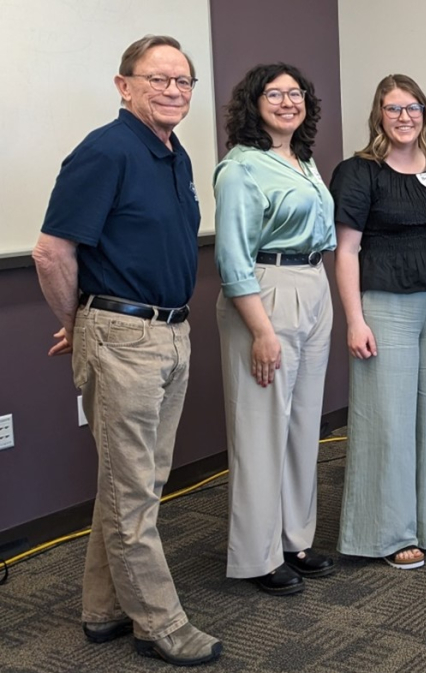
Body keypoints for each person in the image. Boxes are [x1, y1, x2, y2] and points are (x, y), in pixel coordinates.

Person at [32, 35, 221, 666]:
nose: (172, 90)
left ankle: (103, 607)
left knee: (131, 482)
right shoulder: (106, 150)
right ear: (123, 85)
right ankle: (160, 623)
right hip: (124, 336)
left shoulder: (174, 153)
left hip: (171, 332)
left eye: (183, 81)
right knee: (133, 488)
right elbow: (51, 252)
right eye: (157, 79)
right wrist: (80, 322)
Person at [214, 63, 336, 595]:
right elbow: (232, 257)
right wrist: (261, 330)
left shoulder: (303, 161)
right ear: (253, 103)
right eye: (275, 93)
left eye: (296, 93)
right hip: (265, 291)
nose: (288, 101)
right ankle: (257, 555)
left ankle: (295, 538)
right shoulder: (240, 168)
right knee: (261, 429)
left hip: (313, 284)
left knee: (302, 423)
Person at [331, 74, 426, 570]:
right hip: (384, 304)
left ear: (425, 112)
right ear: (378, 115)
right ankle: (387, 533)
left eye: (413, 107)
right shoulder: (358, 172)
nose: (404, 117)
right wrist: (354, 320)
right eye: (393, 109)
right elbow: (346, 251)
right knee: (387, 422)